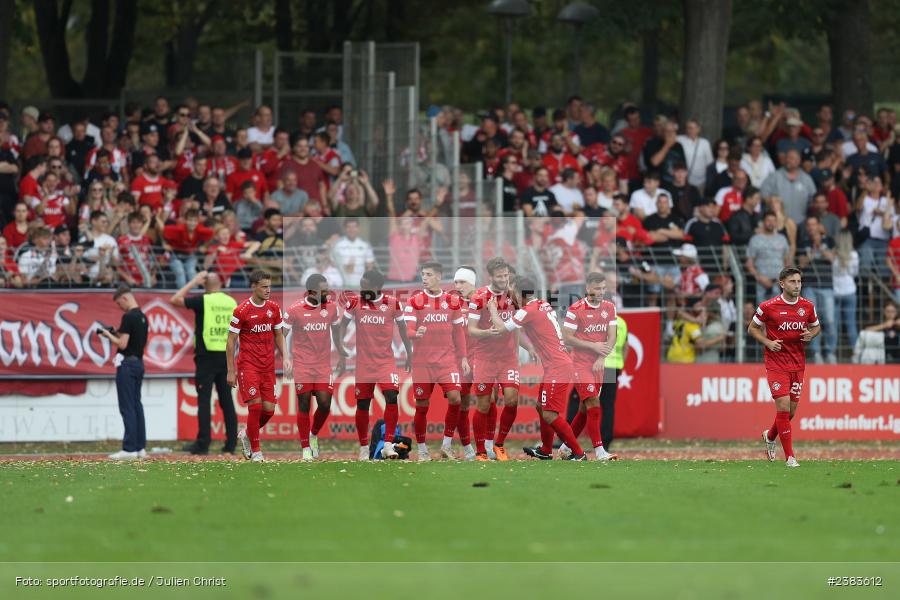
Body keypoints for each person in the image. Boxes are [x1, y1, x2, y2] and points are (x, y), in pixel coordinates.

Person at [486, 275, 586, 461]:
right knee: (541, 407)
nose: (511, 296)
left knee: (549, 414)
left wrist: (492, 309)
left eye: (513, 293)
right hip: (556, 365)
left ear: (520, 294)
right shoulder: (542, 304)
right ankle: (546, 450)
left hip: (558, 367)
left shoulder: (527, 311)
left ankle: (579, 453)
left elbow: (500, 329)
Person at [748, 267, 820, 468]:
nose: (797, 285)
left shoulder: (807, 306)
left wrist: (811, 335)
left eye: (799, 281)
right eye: (792, 282)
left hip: (798, 364)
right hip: (776, 363)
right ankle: (790, 457)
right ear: (782, 284)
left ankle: (770, 436)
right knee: (782, 407)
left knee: (790, 413)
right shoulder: (768, 306)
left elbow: (816, 326)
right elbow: (752, 328)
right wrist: (768, 342)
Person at [341, 269, 413, 460]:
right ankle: (364, 447)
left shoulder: (392, 303)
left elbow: (404, 329)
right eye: (361, 285)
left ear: (376, 287)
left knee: (391, 396)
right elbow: (341, 326)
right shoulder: (355, 302)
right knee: (363, 404)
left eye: (365, 286)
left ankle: (388, 445)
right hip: (364, 364)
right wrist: (340, 349)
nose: (361, 289)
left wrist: (410, 353)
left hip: (385, 362)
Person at [404, 261, 470, 462]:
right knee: (422, 405)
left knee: (455, 399)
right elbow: (408, 331)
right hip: (422, 362)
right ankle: (422, 450)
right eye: (423, 274)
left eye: (429, 274)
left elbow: (459, 333)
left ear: (439, 276)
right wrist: (416, 333)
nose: (424, 278)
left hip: (447, 360)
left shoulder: (452, 301)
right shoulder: (414, 301)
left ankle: (446, 445)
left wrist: (464, 357)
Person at [170, 271, 238, 455]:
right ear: (221, 285)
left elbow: (175, 299)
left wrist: (193, 281)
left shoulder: (204, 300)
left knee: (204, 400)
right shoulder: (231, 302)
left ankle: (203, 444)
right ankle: (230, 445)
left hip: (206, 356)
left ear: (205, 285)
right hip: (226, 356)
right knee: (227, 402)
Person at [282, 274, 347, 461]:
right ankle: (305, 448)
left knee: (325, 404)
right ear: (311, 292)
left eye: (327, 288)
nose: (327, 293)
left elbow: (336, 334)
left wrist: (342, 355)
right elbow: (281, 334)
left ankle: (313, 435)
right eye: (323, 290)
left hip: (323, 365)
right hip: (302, 364)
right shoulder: (294, 310)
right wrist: (286, 358)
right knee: (304, 405)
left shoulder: (331, 308)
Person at [226, 270, 289, 462]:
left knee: (269, 410)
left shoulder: (274, 308)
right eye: (264, 286)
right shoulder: (241, 310)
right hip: (248, 366)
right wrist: (231, 370)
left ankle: (246, 434)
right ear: (254, 287)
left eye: (269, 286)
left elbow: (279, 335)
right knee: (255, 406)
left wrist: (286, 357)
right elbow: (231, 341)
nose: (268, 290)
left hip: (267, 367)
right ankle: (256, 451)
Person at [558, 272, 618, 461]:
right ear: (588, 289)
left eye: (603, 288)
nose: (600, 292)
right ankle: (599, 451)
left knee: (585, 409)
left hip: (599, 364)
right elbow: (567, 337)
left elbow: (612, 336)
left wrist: (602, 356)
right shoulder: (576, 309)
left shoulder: (609, 307)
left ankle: (566, 446)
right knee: (593, 403)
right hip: (580, 364)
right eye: (597, 289)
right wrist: (593, 346)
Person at [467, 258, 522, 461]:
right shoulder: (479, 297)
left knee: (511, 400)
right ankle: (481, 450)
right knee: (484, 404)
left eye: (506, 275)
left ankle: (499, 445)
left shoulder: (513, 295)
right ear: (491, 276)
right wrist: (487, 333)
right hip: (484, 358)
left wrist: (516, 352)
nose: (504, 279)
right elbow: (471, 330)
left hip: (507, 358)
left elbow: (515, 326)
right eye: (500, 276)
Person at [98, 286, 149, 460]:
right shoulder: (142, 317)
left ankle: (129, 449)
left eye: (119, 303)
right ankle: (140, 448)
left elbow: (123, 344)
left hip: (127, 365)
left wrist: (107, 335)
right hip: (139, 364)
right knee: (136, 405)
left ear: (125, 298)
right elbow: (132, 339)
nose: (120, 307)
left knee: (127, 407)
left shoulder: (128, 316)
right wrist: (116, 332)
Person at [446, 266, 479, 461]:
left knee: (487, 401)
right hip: (460, 360)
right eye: (455, 282)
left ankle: (487, 446)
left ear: (472, 283)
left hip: (482, 358)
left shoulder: (482, 302)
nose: (457, 286)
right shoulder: (452, 304)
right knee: (461, 403)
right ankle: (467, 447)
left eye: (462, 282)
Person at [746, 212, 791, 306]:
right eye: (768, 220)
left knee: (779, 315)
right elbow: (749, 264)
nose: (771, 223)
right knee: (763, 315)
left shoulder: (782, 239)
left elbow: (787, 261)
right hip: (761, 283)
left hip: (779, 284)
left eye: (774, 220)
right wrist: (759, 277)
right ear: (763, 222)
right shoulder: (755, 239)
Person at [833, 230, 860, 353]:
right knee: (851, 324)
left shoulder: (833, 254)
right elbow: (855, 273)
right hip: (850, 290)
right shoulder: (854, 254)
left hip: (835, 291)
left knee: (834, 325)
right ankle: (856, 352)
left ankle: (833, 353)